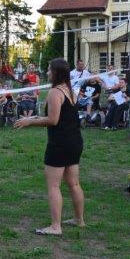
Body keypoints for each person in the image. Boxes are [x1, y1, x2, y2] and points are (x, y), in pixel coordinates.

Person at [14, 58, 84, 237]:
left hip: (60, 143)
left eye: (48, 69)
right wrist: (34, 118)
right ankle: (79, 220)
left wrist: (30, 122)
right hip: (75, 141)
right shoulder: (70, 90)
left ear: (56, 72)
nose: (46, 72)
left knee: (53, 186)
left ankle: (55, 227)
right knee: (74, 184)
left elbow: (53, 120)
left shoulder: (55, 92)